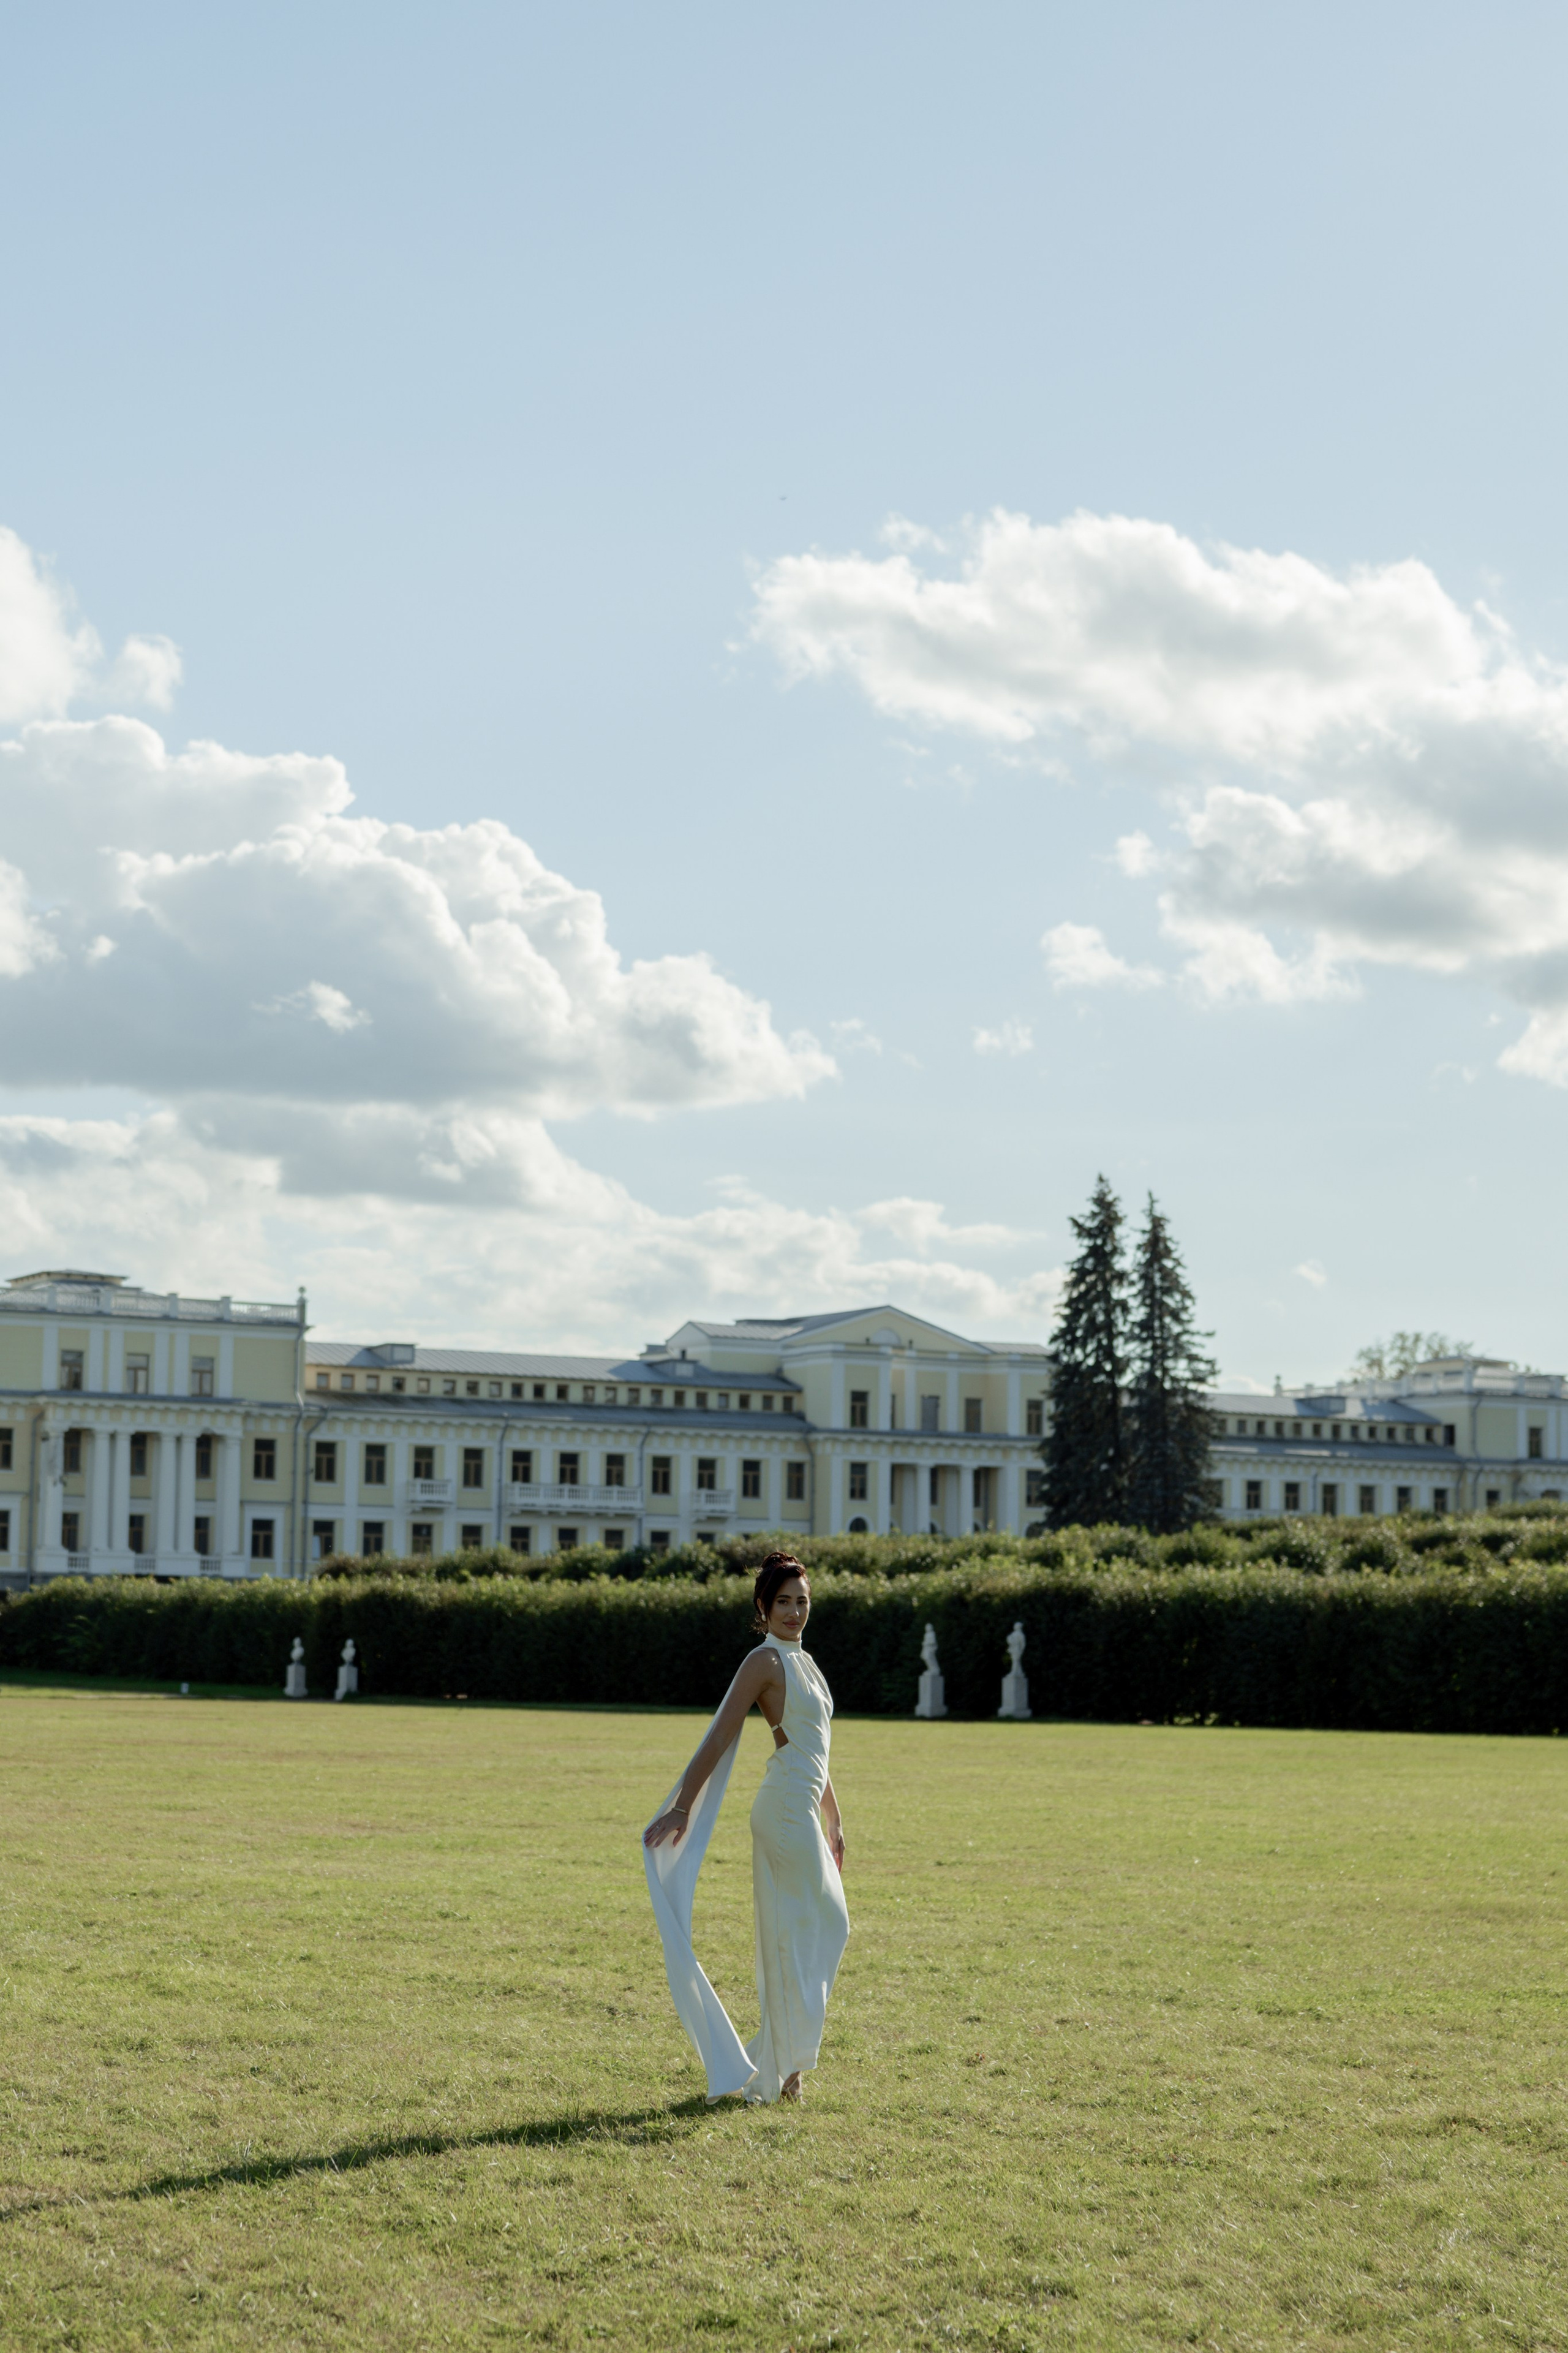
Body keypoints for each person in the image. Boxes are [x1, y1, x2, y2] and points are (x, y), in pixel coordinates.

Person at [643, 1552, 849, 2104]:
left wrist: (835, 1814)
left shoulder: (806, 1662)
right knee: (796, 1937)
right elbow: (720, 1734)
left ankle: (775, 2061)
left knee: (831, 1924)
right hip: (782, 1810)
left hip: (804, 1805)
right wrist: (684, 1805)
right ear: (764, 1606)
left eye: (802, 1601)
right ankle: (785, 2073)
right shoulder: (764, 1661)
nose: (794, 1611)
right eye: (784, 1601)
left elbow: (811, 1750)